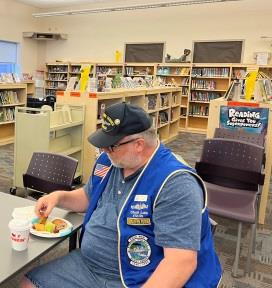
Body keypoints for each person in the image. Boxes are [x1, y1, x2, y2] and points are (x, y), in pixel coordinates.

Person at [22, 102, 222, 288]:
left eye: (111, 145)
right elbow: (88, 197)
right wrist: (58, 197)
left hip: (138, 278)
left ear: (139, 144)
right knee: (28, 284)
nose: (103, 149)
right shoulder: (109, 161)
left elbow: (180, 263)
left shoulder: (175, 183)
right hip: (88, 266)